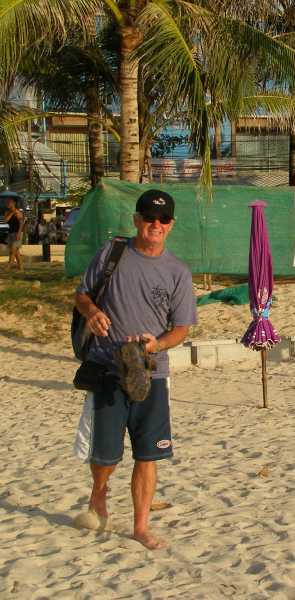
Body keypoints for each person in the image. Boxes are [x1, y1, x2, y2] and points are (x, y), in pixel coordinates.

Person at [73, 189, 197, 549]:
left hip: (151, 373)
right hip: (108, 369)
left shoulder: (177, 272)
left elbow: (182, 329)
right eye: (149, 218)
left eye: (163, 219)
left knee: (148, 453)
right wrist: (92, 312)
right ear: (136, 220)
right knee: (105, 453)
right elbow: (82, 295)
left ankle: (140, 526)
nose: (155, 225)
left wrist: (155, 345)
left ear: (171, 225)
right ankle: (99, 491)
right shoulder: (112, 253)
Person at [4, 195, 25, 272]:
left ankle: (9, 266)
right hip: (10, 233)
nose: (8, 203)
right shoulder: (7, 212)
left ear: (14, 203)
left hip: (17, 233)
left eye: (9, 202)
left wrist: (19, 233)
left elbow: (21, 224)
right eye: (7, 202)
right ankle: (21, 268)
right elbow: (6, 221)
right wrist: (12, 213)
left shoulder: (18, 212)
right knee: (15, 252)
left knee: (13, 251)